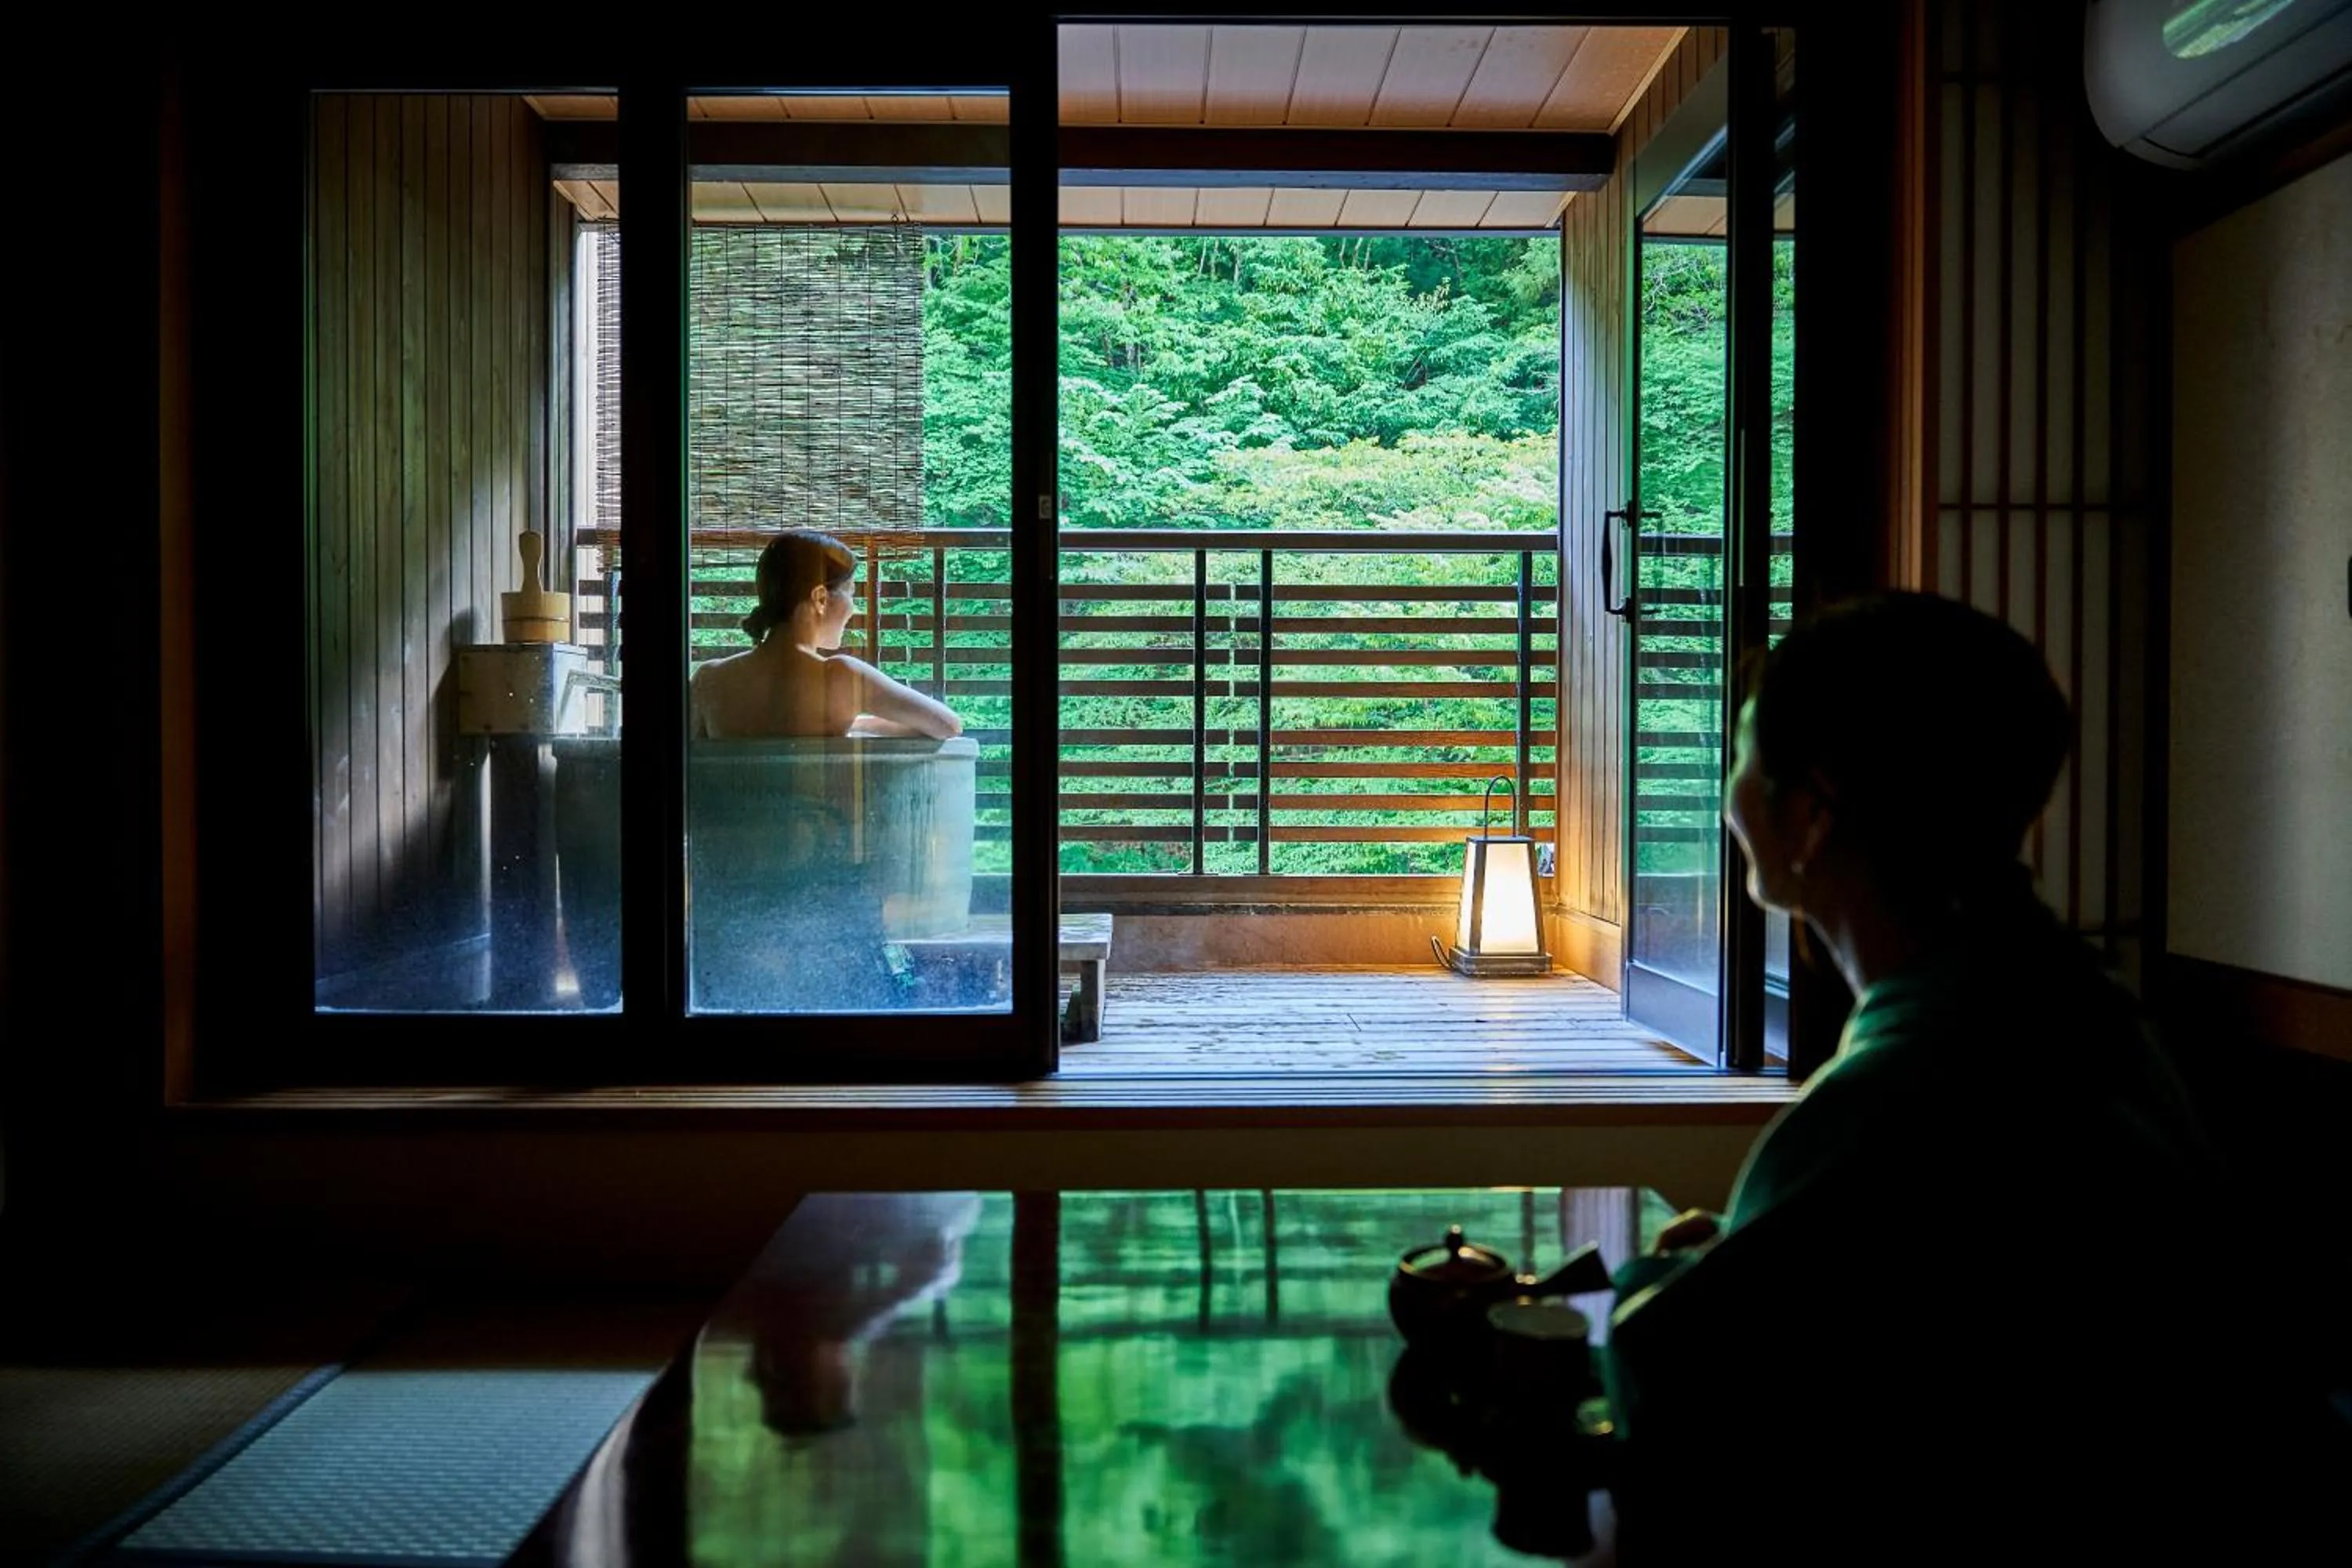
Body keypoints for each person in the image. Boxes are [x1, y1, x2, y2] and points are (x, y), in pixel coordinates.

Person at [1602, 592, 2347, 1564]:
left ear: (1811, 812)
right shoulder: (2078, 1010)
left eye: (1741, 757)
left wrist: (1659, 1279)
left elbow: (1674, 1380)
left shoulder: (1909, 1080)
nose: (1726, 799)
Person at [690, 530, 962, 740]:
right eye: (851, 593)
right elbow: (947, 725)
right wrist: (856, 719)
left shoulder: (709, 680)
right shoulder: (841, 678)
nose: (854, 608)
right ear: (820, 598)